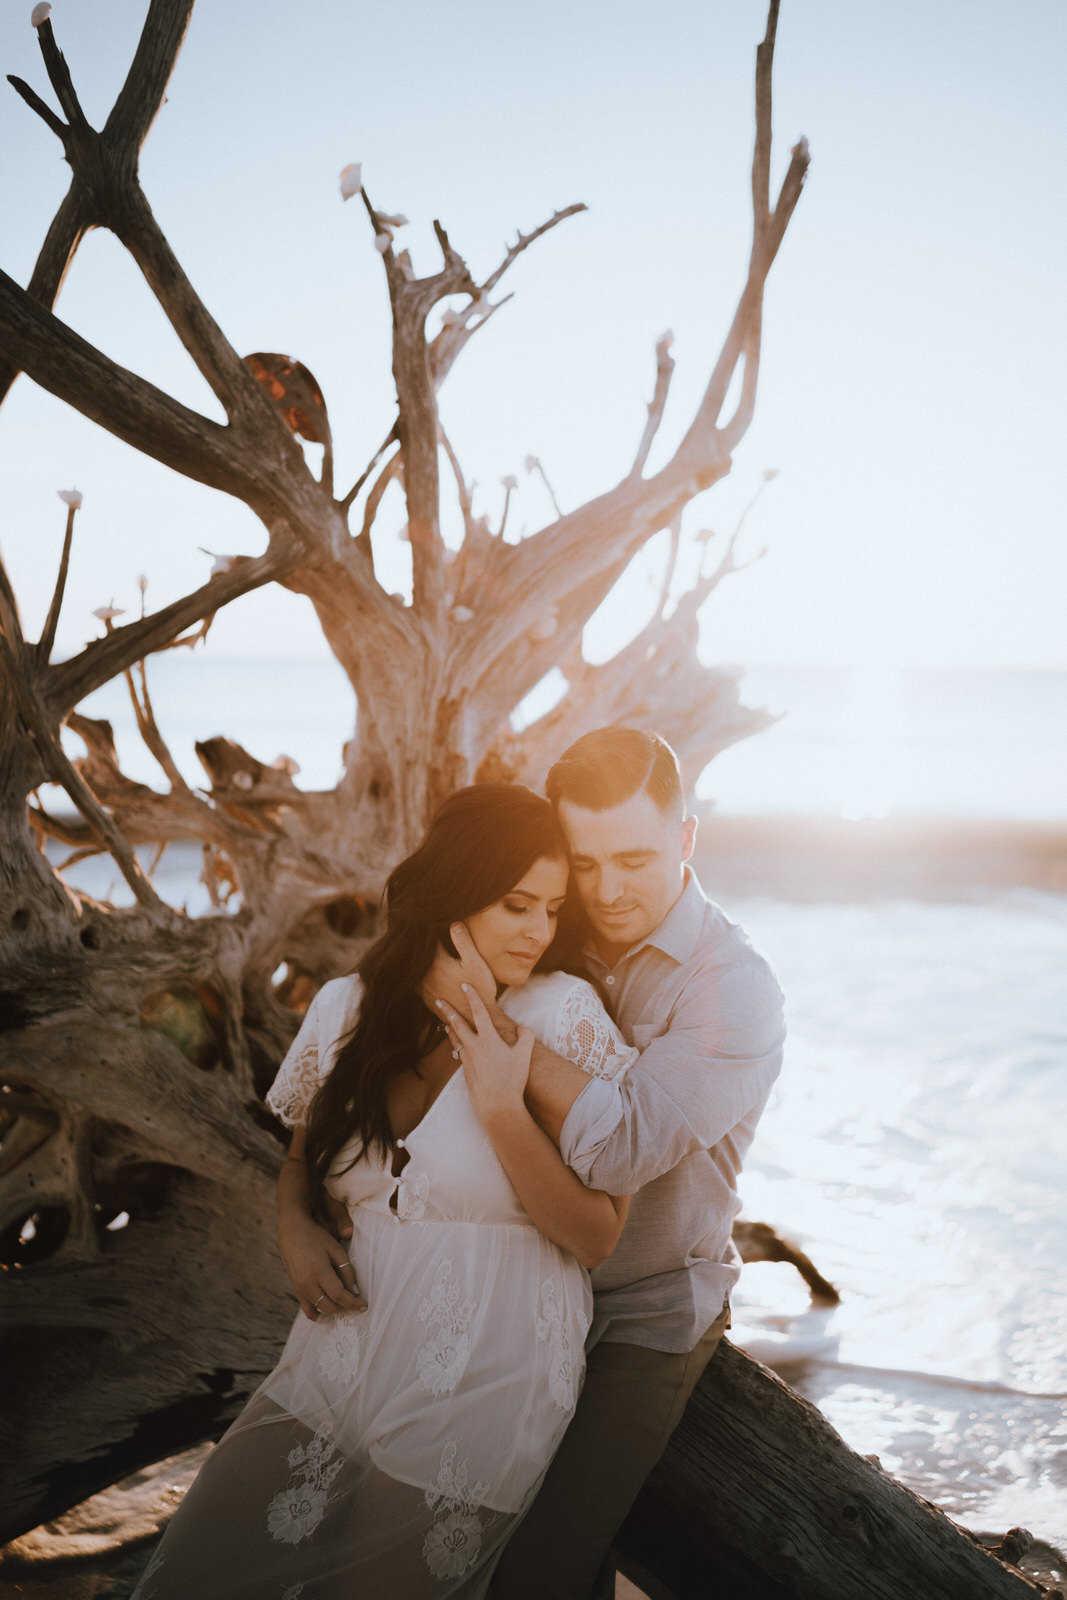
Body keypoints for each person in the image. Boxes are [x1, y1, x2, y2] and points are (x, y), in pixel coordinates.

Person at [132, 784, 639, 1600]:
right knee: (191, 1576)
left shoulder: (562, 1015)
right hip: (344, 1342)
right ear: (454, 896)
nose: (538, 931)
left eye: (550, 909)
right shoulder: (347, 1008)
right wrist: (294, 1230)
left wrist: (502, 1106)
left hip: (491, 1356)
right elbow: (302, 1162)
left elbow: (596, 1236)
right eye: (516, 905)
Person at [426, 729, 786, 1600]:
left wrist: (499, 1034)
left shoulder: (732, 987)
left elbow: (621, 1146)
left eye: (633, 858)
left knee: (535, 1570)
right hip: (508, 1279)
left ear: (686, 838)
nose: (606, 890)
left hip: (643, 1309)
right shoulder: (553, 921)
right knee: (453, 1547)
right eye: (583, 863)